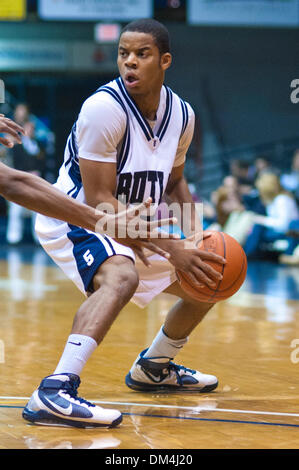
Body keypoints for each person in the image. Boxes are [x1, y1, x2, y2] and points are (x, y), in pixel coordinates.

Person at [23, 19, 226, 429]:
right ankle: (54, 390)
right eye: (123, 54)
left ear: (165, 61)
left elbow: (176, 182)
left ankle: (154, 367)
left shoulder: (182, 115)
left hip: (134, 220)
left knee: (211, 274)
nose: (129, 62)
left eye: (142, 54)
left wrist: (193, 236)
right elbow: (100, 202)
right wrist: (172, 248)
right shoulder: (103, 109)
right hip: (77, 216)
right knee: (121, 275)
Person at [0, 113, 175, 265]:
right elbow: (13, 183)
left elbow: (20, 177)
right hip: (28, 180)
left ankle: (31, 241)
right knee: (121, 279)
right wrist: (105, 223)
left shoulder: (35, 144)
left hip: (35, 176)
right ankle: (13, 241)